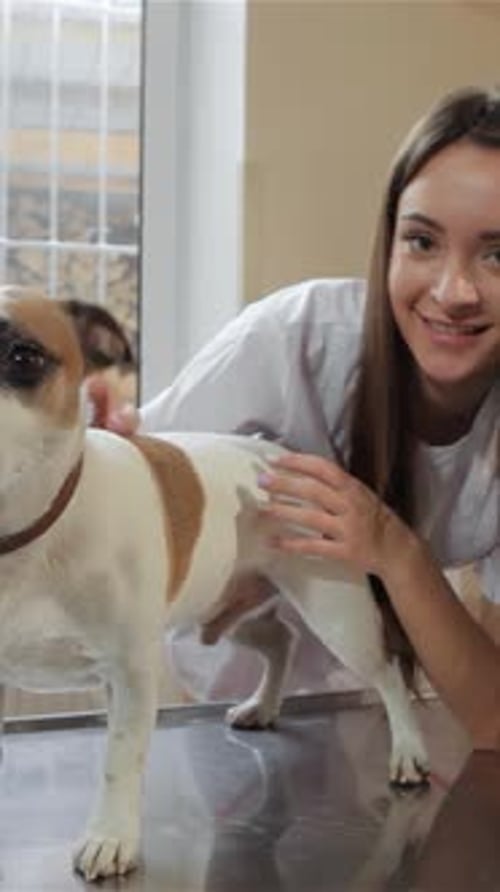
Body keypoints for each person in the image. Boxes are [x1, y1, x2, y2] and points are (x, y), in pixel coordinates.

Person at [89, 85, 499, 748]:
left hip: (364, 702)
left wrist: (394, 550)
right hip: (228, 701)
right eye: (422, 241)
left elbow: (493, 715)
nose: (453, 292)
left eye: (497, 255)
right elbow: (139, 484)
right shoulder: (293, 341)